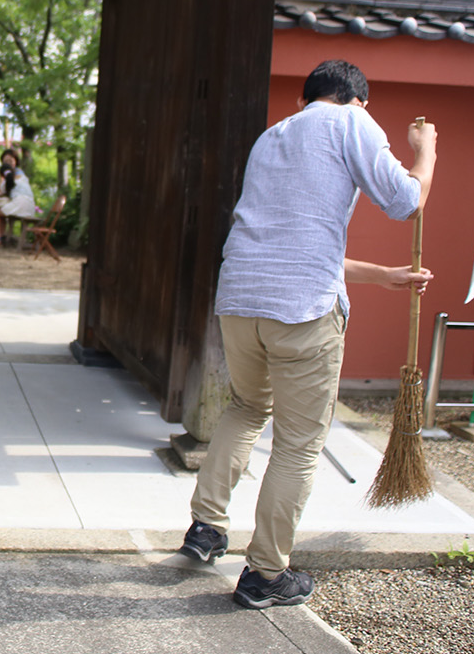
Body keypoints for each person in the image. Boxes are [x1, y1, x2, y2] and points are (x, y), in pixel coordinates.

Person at [179, 59, 437, 610]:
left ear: (304, 99)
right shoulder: (352, 122)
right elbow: (406, 201)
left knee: (247, 407)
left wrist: (382, 275)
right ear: (358, 100)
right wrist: (425, 151)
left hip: (240, 299)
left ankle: (206, 527)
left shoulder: (271, 137)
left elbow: (294, 242)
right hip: (303, 310)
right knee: (298, 444)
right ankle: (266, 574)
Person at [0, 149, 38, 247]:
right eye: (6, 161)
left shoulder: (9, 179)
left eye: (10, 160)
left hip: (20, 204)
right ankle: (1, 237)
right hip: (30, 207)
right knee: (1, 213)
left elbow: (1, 192)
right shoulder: (22, 176)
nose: (8, 163)